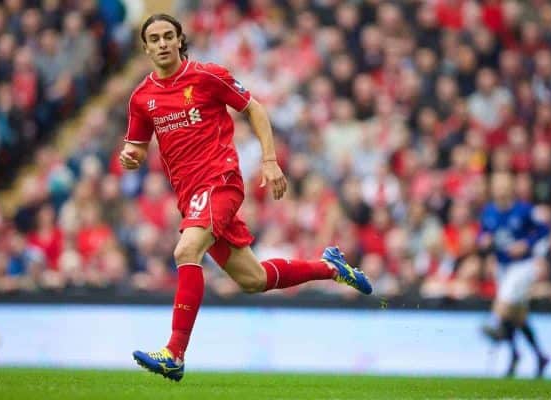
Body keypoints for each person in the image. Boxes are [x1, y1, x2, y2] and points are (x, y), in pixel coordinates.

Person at [121, 14, 373, 382]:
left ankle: (174, 353)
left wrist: (270, 161)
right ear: (145, 47)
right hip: (190, 195)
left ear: (179, 40)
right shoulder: (142, 97)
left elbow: (254, 107)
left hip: (220, 180)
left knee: (185, 251)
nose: (161, 43)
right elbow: (137, 148)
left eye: (167, 36)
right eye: (154, 39)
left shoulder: (207, 76)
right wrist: (130, 157)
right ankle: (331, 267)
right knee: (253, 279)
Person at [478, 172, 550, 378]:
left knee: (505, 300)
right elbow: (483, 232)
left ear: (511, 188)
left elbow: (544, 230)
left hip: (523, 265)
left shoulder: (525, 210)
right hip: (503, 265)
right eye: (496, 185)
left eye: (503, 185)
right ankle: (535, 355)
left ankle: (492, 323)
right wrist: (484, 240)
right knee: (517, 315)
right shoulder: (489, 211)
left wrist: (526, 244)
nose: (499, 189)